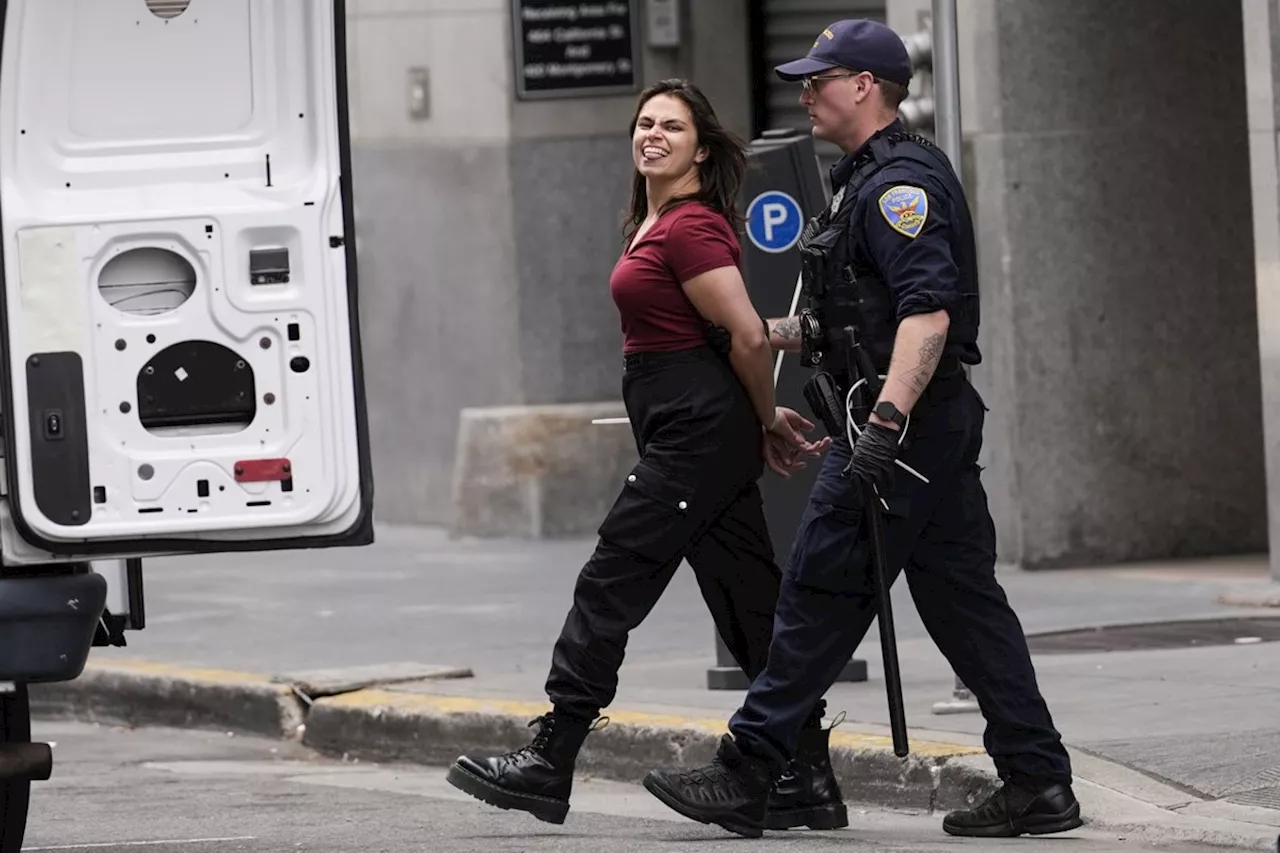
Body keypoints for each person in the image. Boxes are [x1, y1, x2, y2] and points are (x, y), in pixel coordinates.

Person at [641, 20, 1083, 841]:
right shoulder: (865, 181)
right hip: (922, 425)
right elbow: (856, 318)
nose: (804, 90)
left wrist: (882, 427)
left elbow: (927, 315)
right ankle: (1038, 779)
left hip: (899, 427)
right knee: (965, 608)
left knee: (813, 590)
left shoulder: (897, 188)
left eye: (821, 77)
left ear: (867, 87)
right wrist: (762, 333)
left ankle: (749, 771)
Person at [445, 78, 843, 830]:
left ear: (701, 146)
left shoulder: (690, 226)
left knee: (610, 579)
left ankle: (551, 756)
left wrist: (763, 419)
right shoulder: (654, 219)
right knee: (749, 600)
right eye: (645, 123)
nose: (653, 134)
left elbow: (749, 335)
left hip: (697, 434)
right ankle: (806, 776)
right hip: (688, 427)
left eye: (672, 126)